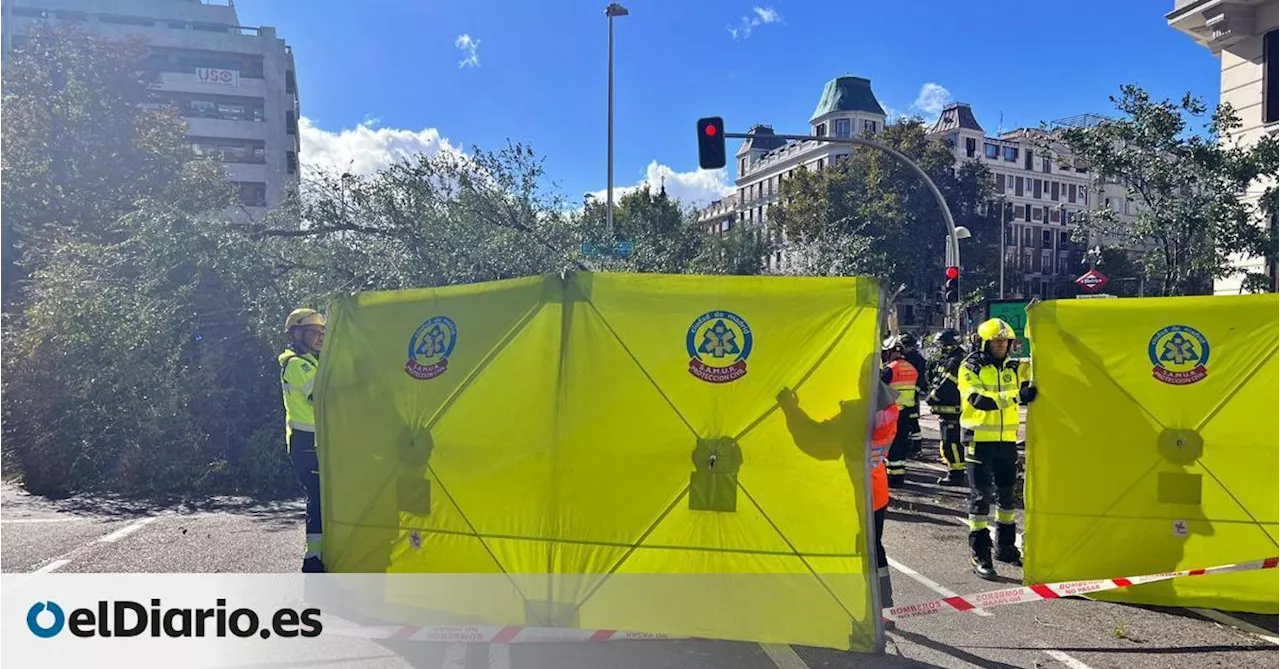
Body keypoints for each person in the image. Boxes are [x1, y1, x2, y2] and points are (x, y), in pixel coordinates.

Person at [776, 381, 900, 620]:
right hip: (877, 488)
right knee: (875, 547)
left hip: (857, 490)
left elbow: (816, 435)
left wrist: (790, 408)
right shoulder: (889, 411)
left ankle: (866, 606)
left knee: (864, 548)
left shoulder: (856, 414)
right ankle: (883, 607)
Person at [958, 318, 1037, 580]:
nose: (1002, 345)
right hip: (978, 440)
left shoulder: (1016, 368)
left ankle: (1006, 548)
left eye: (1005, 341)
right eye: (996, 341)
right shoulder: (970, 367)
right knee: (981, 499)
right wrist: (1017, 396)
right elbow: (978, 400)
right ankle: (980, 554)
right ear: (984, 343)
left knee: (1007, 498)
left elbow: (1039, 368)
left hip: (1006, 441)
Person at [280, 307, 326, 573]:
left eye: (322, 333)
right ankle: (313, 559)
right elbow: (322, 395)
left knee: (325, 496)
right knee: (318, 496)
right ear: (297, 334)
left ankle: (321, 555)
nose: (319, 338)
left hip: (317, 441)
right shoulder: (296, 365)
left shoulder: (314, 362)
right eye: (313, 332)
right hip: (305, 442)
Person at [926, 328, 967, 486]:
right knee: (948, 443)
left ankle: (956, 475)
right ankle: (954, 471)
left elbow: (947, 386)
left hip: (952, 411)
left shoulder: (955, 362)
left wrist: (932, 398)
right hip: (947, 412)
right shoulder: (951, 359)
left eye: (942, 344)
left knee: (952, 444)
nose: (940, 347)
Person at [881, 335, 918, 488]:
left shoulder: (889, 369)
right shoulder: (911, 368)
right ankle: (899, 474)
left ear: (889, 352)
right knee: (901, 443)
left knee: (892, 444)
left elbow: (881, 388)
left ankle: (893, 477)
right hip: (907, 411)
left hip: (892, 411)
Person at [898, 333, 929, 458]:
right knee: (908, 421)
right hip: (907, 395)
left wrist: (915, 390)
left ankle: (916, 447)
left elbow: (921, 378)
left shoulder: (914, 359)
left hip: (911, 395)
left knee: (912, 421)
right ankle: (911, 445)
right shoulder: (913, 357)